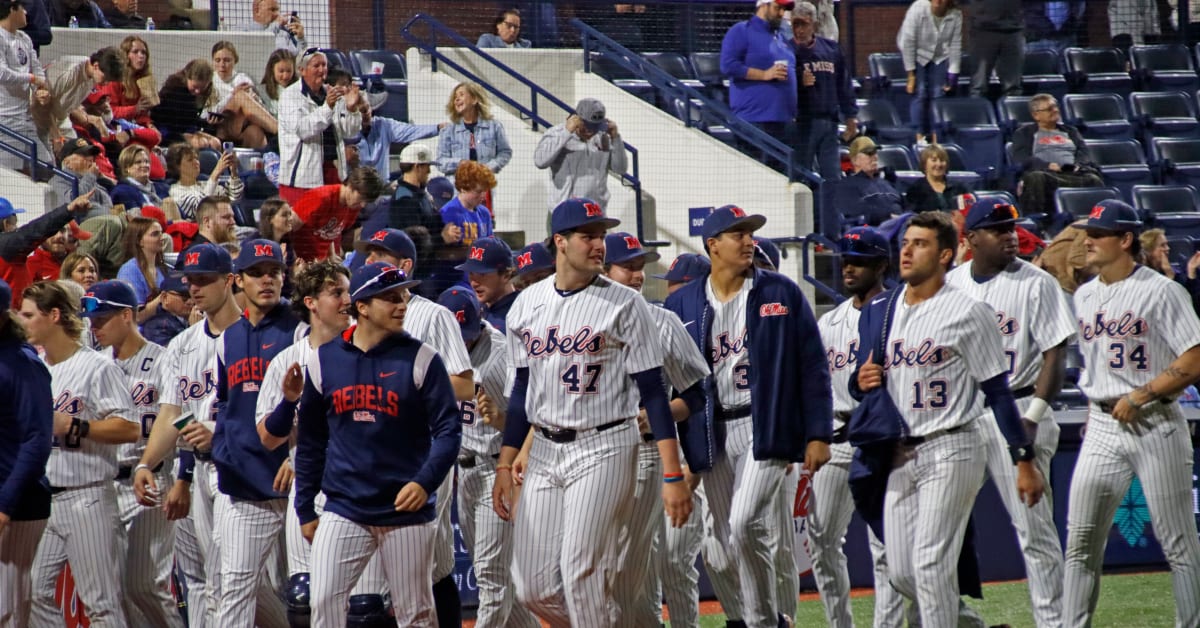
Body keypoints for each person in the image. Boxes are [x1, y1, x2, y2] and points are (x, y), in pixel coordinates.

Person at [492, 198, 693, 626]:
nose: (599, 244)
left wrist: (673, 474)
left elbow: (654, 393)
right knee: (532, 588)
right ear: (560, 242)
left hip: (606, 445)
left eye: (601, 236)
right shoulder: (526, 304)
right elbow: (522, 391)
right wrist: (505, 463)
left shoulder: (626, 303)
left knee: (582, 575)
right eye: (588, 236)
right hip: (544, 449)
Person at [850, 210, 1043, 627]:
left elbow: (998, 393)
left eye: (920, 244)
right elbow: (863, 380)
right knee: (901, 572)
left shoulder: (968, 311)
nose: (907, 251)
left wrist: (1023, 458)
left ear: (944, 256)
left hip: (952, 445)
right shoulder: (882, 308)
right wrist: (861, 380)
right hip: (898, 452)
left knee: (929, 565)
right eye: (905, 243)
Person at [664, 205, 831, 627]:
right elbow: (676, 380)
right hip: (711, 429)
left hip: (765, 423)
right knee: (723, 545)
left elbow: (812, 364)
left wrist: (818, 433)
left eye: (750, 233)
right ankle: (764, 620)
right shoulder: (682, 302)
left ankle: (762, 622)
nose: (748, 241)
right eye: (737, 234)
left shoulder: (780, 291)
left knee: (744, 523)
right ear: (712, 245)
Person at [292, 263, 460, 628]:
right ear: (363, 306)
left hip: (405, 510)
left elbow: (449, 430)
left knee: (415, 614)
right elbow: (311, 440)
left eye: (403, 297)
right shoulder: (324, 360)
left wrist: (424, 482)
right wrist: (305, 506)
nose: (402, 305)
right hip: (344, 507)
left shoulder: (422, 358)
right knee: (321, 602)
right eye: (391, 298)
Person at [1062, 199, 1200, 626]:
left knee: (1178, 544)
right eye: (1088, 233)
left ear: (1124, 240)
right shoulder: (1085, 295)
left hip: (1155, 423)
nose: (1088, 241)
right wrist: (1094, 412)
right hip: (1103, 426)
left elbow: (1194, 357)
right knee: (1080, 541)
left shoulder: (1162, 291)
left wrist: (1141, 395)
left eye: (1098, 235)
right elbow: (1095, 364)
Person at [132, 243, 280, 627]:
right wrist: (147, 463)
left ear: (230, 281)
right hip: (200, 469)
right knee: (227, 583)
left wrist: (217, 432)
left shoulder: (257, 337)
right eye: (189, 281)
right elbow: (173, 413)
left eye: (203, 280)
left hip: (251, 468)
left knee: (242, 582)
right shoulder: (182, 345)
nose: (194, 289)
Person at [946, 197, 1076, 627]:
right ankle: (956, 619)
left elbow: (1055, 354)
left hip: (1020, 406)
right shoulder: (952, 284)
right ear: (971, 238)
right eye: (998, 229)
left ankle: (1053, 623)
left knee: (1034, 533)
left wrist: (1034, 416)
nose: (1010, 236)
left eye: (1012, 228)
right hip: (963, 415)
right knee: (939, 530)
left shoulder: (1037, 283)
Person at [601, 232, 710, 626]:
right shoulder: (577, 321)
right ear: (604, 269)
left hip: (646, 452)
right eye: (627, 267)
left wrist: (662, 411)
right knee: (601, 572)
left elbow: (697, 394)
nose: (637, 275)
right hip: (591, 454)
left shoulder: (663, 321)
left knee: (640, 571)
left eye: (640, 267)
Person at [21, 280, 138, 628]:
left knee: (101, 604)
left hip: (87, 498)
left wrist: (75, 425)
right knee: (31, 593)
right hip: (44, 500)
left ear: (54, 315)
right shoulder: (35, 368)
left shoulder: (97, 367)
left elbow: (129, 428)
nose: (21, 321)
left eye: (29, 314)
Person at [810, 227, 904, 628]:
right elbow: (816, 385)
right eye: (845, 260)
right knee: (821, 539)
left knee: (886, 546)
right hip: (836, 436)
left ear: (881, 266)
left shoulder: (898, 312)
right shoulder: (829, 322)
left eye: (859, 261)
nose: (848, 268)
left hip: (882, 440)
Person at [207, 239, 301, 627]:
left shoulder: (300, 330)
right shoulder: (229, 337)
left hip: (296, 479)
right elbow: (225, 403)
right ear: (238, 281)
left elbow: (318, 402)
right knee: (235, 588)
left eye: (274, 272)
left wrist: (298, 456)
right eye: (257, 273)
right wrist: (225, 453)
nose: (267, 280)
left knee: (310, 591)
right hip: (246, 481)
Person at [82, 280, 186, 628]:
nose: (95, 326)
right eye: (92, 320)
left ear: (127, 315)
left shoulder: (163, 359)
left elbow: (180, 418)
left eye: (102, 318)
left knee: (145, 585)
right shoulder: (95, 364)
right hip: (106, 484)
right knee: (116, 591)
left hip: (151, 479)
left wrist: (182, 475)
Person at [435, 286, 540, 628]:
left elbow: (535, 420)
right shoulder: (438, 349)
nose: (463, 342)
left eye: (467, 333)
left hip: (498, 468)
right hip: (465, 471)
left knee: (491, 576)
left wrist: (500, 419)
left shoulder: (501, 354)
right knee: (498, 579)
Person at [252, 259, 348, 627]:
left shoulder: (366, 350)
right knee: (303, 598)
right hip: (309, 489)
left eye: (348, 291)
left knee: (363, 603)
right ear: (311, 302)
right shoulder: (287, 361)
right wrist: (289, 401)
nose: (347, 300)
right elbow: (267, 437)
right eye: (336, 292)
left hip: (359, 486)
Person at [0, 277, 52, 628]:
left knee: (7, 610)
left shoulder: (22, 363)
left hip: (17, 502)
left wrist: (5, 505)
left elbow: (37, 440)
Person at [791, 2, 856, 239]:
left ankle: (831, 236)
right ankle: (802, 232)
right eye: (795, 24)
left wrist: (851, 117)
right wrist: (799, 81)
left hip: (829, 122)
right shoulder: (787, 50)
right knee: (801, 178)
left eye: (804, 24)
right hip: (802, 124)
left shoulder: (831, 49)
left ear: (815, 24)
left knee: (832, 180)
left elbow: (844, 85)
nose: (799, 30)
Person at [277, 48, 363, 205]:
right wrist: (328, 107)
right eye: (316, 66)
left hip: (333, 172)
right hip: (301, 180)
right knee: (300, 221)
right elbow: (303, 130)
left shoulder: (331, 93)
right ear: (302, 70)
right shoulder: (289, 96)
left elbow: (349, 131)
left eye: (324, 65)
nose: (322, 70)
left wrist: (352, 109)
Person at [1011, 93, 1104, 220]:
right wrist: (1047, 165)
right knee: (1035, 178)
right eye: (1049, 109)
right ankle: (1038, 222)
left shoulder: (1071, 131)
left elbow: (1083, 152)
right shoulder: (1024, 133)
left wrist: (1078, 165)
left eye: (1056, 107)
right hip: (1047, 174)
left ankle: (1098, 220)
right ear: (1036, 115)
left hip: (1073, 173)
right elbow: (1021, 157)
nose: (1055, 110)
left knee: (1094, 179)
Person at [720, 0, 797, 145]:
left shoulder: (782, 37)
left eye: (784, 9)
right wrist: (764, 75)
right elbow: (728, 65)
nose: (781, 13)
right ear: (763, 5)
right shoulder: (742, 30)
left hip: (784, 119)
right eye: (777, 8)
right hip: (755, 120)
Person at [0, 192, 94, 307]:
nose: (16, 227)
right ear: (6, 224)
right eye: (14, 223)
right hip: (11, 314)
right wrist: (68, 210)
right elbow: (35, 230)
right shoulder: (6, 245)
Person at [534, 99, 627, 211]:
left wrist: (616, 138)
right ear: (576, 119)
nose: (590, 132)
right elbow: (540, 161)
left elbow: (620, 169)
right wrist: (566, 132)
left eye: (595, 127)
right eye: (587, 126)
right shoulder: (556, 133)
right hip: (565, 212)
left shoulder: (603, 137)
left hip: (595, 212)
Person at [0, 0, 54, 174]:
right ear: (12, 9)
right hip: (6, 120)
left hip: (26, 118)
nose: (26, 12)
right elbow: (2, 73)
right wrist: (31, 79)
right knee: (11, 176)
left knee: (47, 168)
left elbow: (37, 70)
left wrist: (41, 89)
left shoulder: (25, 38)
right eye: (22, 8)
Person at [898, 0, 962, 143]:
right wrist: (911, 75)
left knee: (939, 94)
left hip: (939, 55)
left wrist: (953, 74)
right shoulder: (918, 8)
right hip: (915, 52)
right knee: (920, 92)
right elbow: (908, 42)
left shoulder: (956, 14)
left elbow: (955, 45)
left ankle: (936, 138)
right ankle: (919, 137)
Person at [290, 166, 386, 262]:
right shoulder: (320, 198)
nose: (363, 205)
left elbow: (330, 232)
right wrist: (293, 261)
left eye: (366, 201)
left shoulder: (353, 206)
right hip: (301, 260)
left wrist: (331, 254)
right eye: (361, 198)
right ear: (351, 186)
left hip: (321, 261)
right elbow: (288, 229)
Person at [39, 46, 125, 145]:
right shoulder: (69, 73)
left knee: (79, 150)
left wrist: (88, 118)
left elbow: (68, 102)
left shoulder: (93, 74)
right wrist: (56, 137)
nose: (106, 83)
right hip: (38, 118)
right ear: (96, 66)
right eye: (105, 79)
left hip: (60, 119)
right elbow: (42, 105)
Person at [352, 89, 440, 179]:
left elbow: (410, 131)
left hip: (382, 185)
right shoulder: (346, 133)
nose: (366, 113)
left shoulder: (384, 125)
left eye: (367, 108)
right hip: (356, 185)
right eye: (361, 110)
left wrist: (438, 128)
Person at [208, 41, 278, 151]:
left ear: (235, 61)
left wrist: (255, 99)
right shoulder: (210, 80)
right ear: (213, 61)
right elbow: (206, 113)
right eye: (218, 60)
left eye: (227, 60)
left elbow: (259, 109)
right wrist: (232, 94)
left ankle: (264, 158)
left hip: (242, 126)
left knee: (255, 132)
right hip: (221, 127)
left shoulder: (242, 78)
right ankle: (280, 131)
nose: (222, 65)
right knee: (240, 95)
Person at [437, 83, 512, 176]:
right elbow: (440, 161)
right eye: (455, 97)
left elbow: (505, 152)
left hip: (484, 182)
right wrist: (460, 163)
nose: (456, 99)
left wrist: (488, 168)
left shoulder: (495, 126)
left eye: (461, 95)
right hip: (457, 184)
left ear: (474, 99)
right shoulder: (448, 131)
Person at [151, 59, 222, 150]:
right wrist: (198, 130)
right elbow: (179, 122)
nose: (197, 91)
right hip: (168, 132)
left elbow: (192, 120)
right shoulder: (175, 89)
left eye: (202, 88)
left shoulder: (202, 94)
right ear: (187, 77)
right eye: (194, 87)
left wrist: (208, 123)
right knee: (201, 143)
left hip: (186, 129)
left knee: (216, 143)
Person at [165, 143, 244, 221]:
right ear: (177, 166)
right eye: (190, 160)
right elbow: (199, 209)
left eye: (196, 158)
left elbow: (233, 199)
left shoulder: (205, 184)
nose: (196, 162)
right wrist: (216, 172)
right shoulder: (176, 190)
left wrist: (233, 172)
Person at [836, 136, 904, 226]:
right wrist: (888, 217)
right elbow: (857, 214)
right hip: (876, 229)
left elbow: (904, 205)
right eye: (869, 153)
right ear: (855, 160)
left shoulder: (886, 182)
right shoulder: (847, 185)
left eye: (875, 153)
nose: (875, 157)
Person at [457, 236, 518, 333]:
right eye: (471, 273)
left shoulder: (520, 314)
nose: (474, 283)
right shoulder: (476, 309)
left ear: (506, 275)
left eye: (482, 274)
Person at [101, 36, 159, 135]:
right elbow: (110, 111)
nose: (141, 56)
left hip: (136, 125)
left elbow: (143, 114)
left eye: (144, 52)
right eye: (135, 52)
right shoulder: (115, 79)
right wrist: (135, 109)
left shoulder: (143, 80)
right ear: (125, 55)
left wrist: (149, 124)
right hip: (116, 127)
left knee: (155, 135)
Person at [966, 0, 1024, 97]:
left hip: (1013, 30)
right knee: (978, 86)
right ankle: (977, 106)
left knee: (1013, 88)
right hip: (983, 30)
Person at [53, 137, 114, 220]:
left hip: (99, 221)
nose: (91, 159)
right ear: (67, 163)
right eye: (84, 155)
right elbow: (75, 202)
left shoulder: (90, 180)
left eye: (91, 154)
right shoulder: (58, 180)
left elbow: (108, 204)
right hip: (77, 224)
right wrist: (90, 176)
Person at [116, 215, 165, 308]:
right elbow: (134, 314)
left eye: (161, 232)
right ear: (139, 241)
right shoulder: (129, 270)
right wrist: (164, 297)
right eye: (155, 234)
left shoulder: (164, 268)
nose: (162, 237)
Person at [904, 143, 970, 212]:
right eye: (934, 160)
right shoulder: (916, 190)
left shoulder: (960, 187)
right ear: (924, 164)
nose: (939, 164)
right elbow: (912, 215)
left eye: (942, 160)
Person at [141, 273, 190, 347]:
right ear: (165, 297)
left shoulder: (198, 315)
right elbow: (172, 353)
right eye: (184, 297)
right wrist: (195, 329)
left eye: (191, 295)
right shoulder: (156, 327)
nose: (190, 301)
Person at [256, 49, 296, 119]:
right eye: (281, 71)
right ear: (272, 69)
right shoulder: (260, 91)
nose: (285, 76)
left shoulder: (299, 90)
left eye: (289, 71)